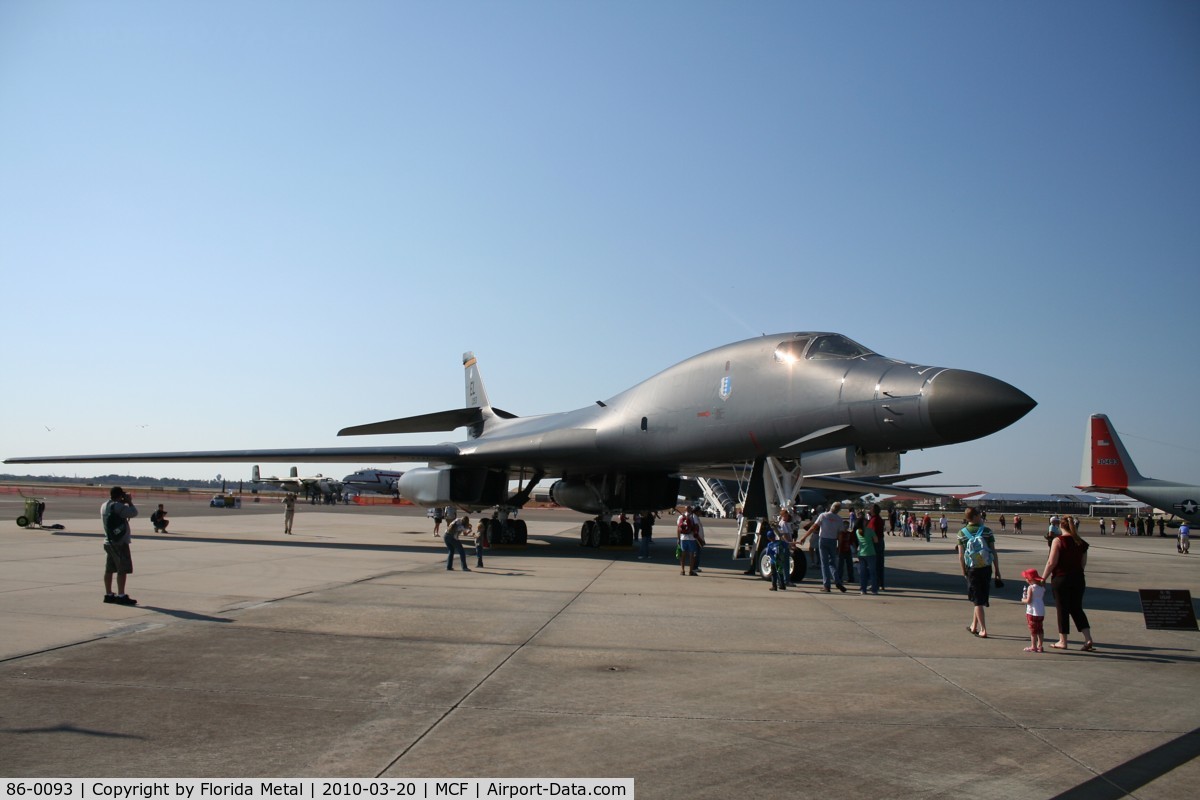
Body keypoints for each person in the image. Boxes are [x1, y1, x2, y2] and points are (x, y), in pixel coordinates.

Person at [1042, 516, 1094, 651]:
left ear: (1061, 526)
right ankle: (1088, 638)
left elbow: (1051, 562)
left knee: (1062, 609)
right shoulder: (1081, 542)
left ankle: (1063, 641)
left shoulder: (1058, 540)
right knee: (1077, 608)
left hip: (1061, 578)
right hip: (1078, 579)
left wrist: (1043, 578)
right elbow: (1083, 565)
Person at [957, 507, 1001, 638]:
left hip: (972, 569)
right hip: (986, 568)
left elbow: (960, 555)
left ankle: (983, 629)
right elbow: (993, 551)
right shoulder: (987, 531)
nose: (982, 517)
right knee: (980, 599)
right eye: (980, 515)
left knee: (977, 600)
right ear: (975, 516)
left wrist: (963, 570)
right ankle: (974, 626)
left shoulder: (962, 533)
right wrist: (997, 570)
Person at [102, 486, 139, 606]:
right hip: (120, 542)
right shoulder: (119, 506)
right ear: (120, 495)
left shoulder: (104, 505)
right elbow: (134, 513)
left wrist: (122, 502)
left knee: (109, 569)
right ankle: (121, 595)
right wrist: (129, 502)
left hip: (109, 541)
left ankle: (108, 594)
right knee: (122, 570)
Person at [800, 501, 846, 593]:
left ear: (831, 507)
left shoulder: (823, 516)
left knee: (824, 564)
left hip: (823, 540)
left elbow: (814, 527)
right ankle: (837, 581)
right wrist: (839, 546)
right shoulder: (839, 519)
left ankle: (826, 585)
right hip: (833, 541)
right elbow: (841, 534)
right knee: (832, 563)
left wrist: (804, 537)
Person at [1020, 568, 1046, 653]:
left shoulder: (1030, 588)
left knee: (1033, 630)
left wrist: (1023, 600)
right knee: (1040, 629)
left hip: (1032, 612)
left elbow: (1029, 601)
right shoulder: (1042, 587)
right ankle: (1040, 646)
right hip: (1041, 611)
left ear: (1030, 579)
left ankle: (1033, 646)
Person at [855, 517, 879, 594]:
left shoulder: (857, 531)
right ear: (864, 523)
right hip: (870, 552)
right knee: (873, 572)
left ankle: (863, 589)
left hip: (861, 553)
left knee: (863, 573)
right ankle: (874, 589)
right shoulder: (870, 531)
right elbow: (876, 540)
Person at [867, 503, 886, 590]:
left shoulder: (874, 520)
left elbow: (873, 533)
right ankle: (880, 583)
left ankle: (875, 583)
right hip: (880, 542)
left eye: (870, 509)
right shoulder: (878, 519)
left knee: (874, 564)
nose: (869, 510)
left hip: (875, 543)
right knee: (879, 564)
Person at [677, 506, 700, 576]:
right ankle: (691, 571)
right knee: (691, 555)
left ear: (685, 509)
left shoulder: (680, 517)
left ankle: (682, 570)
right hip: (691, 538)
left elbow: (678, 528)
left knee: (682, 554)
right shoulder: (693, 516)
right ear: (691, 509)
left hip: (683, 538)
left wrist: (678, 538)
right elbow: (696, 526)